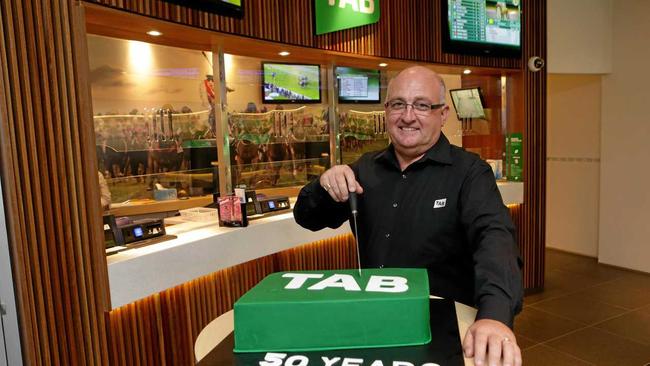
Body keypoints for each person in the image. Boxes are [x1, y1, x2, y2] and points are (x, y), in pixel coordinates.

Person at [293, 66, 523, 366]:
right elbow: (307, 218)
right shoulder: (364, 169)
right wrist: (323, 186)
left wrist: (494, 315)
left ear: (443, 114)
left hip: (443, 327)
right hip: (374, 323)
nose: (408, 116)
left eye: (422, 105)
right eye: (398, 104)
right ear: (386, 111)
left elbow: (495, 239)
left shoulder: (469, 173)